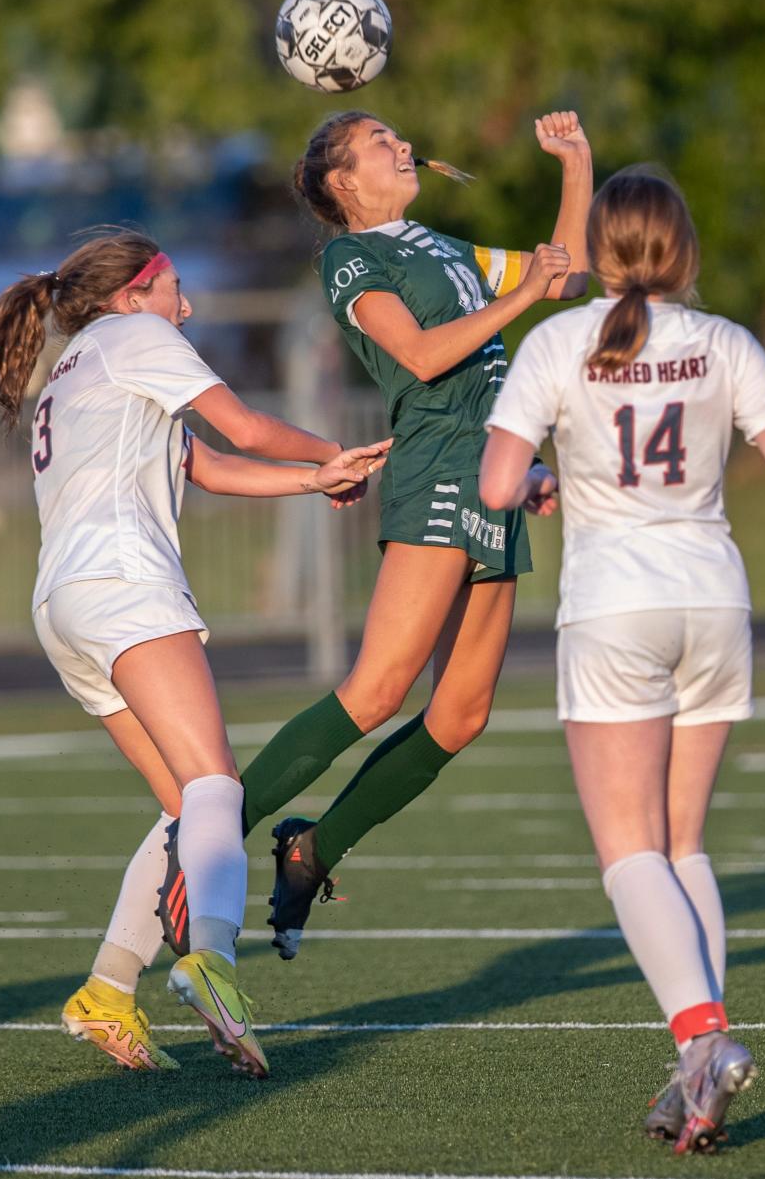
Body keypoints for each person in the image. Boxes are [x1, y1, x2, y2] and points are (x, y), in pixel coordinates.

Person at [0, 229, 390, 1078]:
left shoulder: (78, 371)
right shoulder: (138, 337)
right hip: (122, 584)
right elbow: (244, 425)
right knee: (217, 783)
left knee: (189, 807)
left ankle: (108, 989)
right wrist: (333, 452)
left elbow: (204, 464)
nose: (188, 305)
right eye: (175, 286)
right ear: (132, 293)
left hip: (61, 604)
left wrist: (310, 481)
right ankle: (212, 958)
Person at [156, 109, 593, 961]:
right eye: (380, 142)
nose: (403, 144)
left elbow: (565, 276)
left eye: (400, 135)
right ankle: (202, 842)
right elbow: (424, 357)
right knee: (376, 691)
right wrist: (524, 294)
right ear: (344, 183)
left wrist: (574, 167)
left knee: (461, 717)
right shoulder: (351, 256)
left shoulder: (441, 244)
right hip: (435, 466)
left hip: (495, 468)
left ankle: (313, 847)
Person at [479, 167, 765, 1152]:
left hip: (615, 607)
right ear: (683, 250)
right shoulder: (726, 342)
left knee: (630, 851)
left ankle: (702, 1037)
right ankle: (693, 1064)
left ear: (599, 249)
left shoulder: (557, 339)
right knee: (683, 845)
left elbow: (500, 483)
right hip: (713, 596)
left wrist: (544, 471)